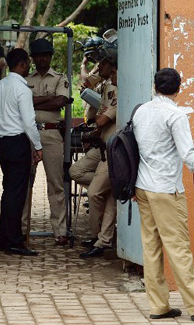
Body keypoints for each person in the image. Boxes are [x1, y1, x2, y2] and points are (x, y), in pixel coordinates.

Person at [133, 67, 194, 321]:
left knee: (151, 248)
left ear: (155, 86)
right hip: (166, 189)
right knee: (178, 247)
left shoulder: (141, 111)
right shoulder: (175, 115)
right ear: (179, 87)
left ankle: (159, 305)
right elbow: (189, 157)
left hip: (143, 187)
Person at [0, 48, 42, 256]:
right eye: (28, 62)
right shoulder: (23, 89)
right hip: (17, 141)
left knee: (8, 190)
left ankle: (5, 237)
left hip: (2, 143)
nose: (29, 66)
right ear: (21, 64)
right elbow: (29, 122)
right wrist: (37, 146)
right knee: (16, 192)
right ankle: (13, 240)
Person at [23, 39, 70, 246]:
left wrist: (33, 100)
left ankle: (60, 230)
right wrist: (47, 98)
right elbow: (21, 103)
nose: (42, 58)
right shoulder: (24, 79)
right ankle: (22, 229)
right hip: (28, 134)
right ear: (32, 58)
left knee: (56, 183)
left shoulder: (60, 78)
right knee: (25, 182)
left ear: (51, 56)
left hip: (51, 135)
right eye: (38, 55)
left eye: (45, 55)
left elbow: (61, 102)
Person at [78, 40, 119, 258]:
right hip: (103, 147)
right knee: (78, 173)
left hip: (113, 151)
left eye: (102, 63)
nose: (98, 67)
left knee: (94, 192)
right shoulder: (105, 84)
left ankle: (100, 238)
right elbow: (87, 83)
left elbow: (103, 119)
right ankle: (103, 239)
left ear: (112, 66)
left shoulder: (119, 89)